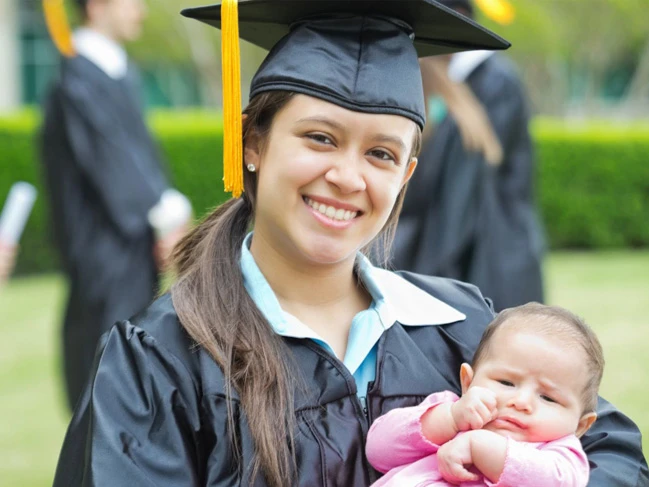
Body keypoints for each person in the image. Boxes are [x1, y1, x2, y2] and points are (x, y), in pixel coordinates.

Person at [52, 1, 648, 486]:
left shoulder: (461, 325)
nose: (348, 176)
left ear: (406, 176)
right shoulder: (159, 364)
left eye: (381, 154)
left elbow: (613, 459)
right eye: (319, 137)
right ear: (251, 144)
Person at [40, 0, 190, 410]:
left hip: (131, 253)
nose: (141, 9)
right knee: (108, 383)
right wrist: (165, 218)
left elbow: (139, 157)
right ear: (96, 5)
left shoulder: (112, 69)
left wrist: (165, 215)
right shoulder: (78, 80)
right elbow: (114, 165)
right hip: (103, 261)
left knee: (136, 380)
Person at [392, 0, 545, 311]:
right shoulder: (459, 86)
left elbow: (458, 203)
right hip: (484, 257)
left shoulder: (493, 84)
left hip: (486, 257)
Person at [367, 303, 602, 486]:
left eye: (548, 398)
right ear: (468, 382)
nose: (520, 402)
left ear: (581, 425)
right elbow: (378, 450)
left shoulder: (560, 455)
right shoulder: (448, 411)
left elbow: (554, 482)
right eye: (506, 382)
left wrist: (479, 446)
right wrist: (448, 418)